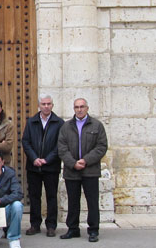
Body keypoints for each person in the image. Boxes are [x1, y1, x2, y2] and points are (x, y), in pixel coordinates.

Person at [58, 98, 108, 243]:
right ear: (73, 109)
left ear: (87, 108)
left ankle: (93, 230)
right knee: (73, 201)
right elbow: (62, 148)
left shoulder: (97, 125)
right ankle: (73, 229)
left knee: (92, 201)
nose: (79, 109)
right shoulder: (66, 127)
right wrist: (73, 163)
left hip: (90, 170)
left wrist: (85, 160)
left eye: (82, 107)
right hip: (72, 171)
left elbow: (101, 147)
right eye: (76, 107)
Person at [21, 94, 64, 237]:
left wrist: (47, 159)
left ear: (52, 105)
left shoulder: (59, 123)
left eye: (49, 104)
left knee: (51, 196)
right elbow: (26, 142)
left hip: (51, 166)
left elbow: (60, 144)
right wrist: (34, 158)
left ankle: (51, 225)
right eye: (43, 104)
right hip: (34, 166)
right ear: (39, 105)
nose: (46, 106)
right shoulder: (32, 121)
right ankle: (35, 224)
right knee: (34, 196)